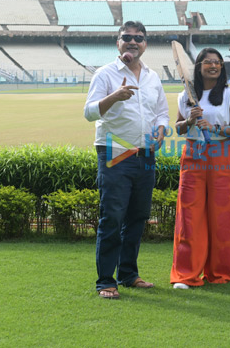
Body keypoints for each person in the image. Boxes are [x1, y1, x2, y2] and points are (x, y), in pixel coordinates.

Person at [84, 21, 169, 299]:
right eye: (127, 37)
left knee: (137, 216)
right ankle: (106, 280)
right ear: (118, 42)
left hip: (145, 153)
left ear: (145, 44)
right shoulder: (105, 74)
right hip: (114, 152)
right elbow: (89, 113)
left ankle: (129, 274)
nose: (133, 41)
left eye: (139, 38)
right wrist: (115, 96)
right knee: (113, 216)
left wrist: (161, 129)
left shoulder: (152, 77)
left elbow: (161, 113)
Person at [170, 48, 230, 289]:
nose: (213, 66)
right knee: (189, 215)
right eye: (208, 62)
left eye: (218, 63)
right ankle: (186, 274)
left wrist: (215, 129)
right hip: (193, 155)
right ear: (199, 65)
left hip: (220, 154)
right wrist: (189, 120)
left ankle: (219, 272)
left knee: (221, 214)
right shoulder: (185, 96)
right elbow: (178, 128)